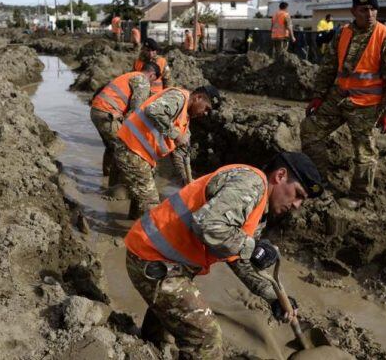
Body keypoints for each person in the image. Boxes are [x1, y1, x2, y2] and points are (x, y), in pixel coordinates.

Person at [124, 152, 324, 359]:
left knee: (168, 322)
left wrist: (272, 296)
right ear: (280, 176)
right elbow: (208, 224)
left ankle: (148, 344)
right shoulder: (251, 185)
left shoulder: (258, 207)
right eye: (298, 194)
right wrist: (252, 247)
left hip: (163, 257)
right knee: (206, 338)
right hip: (153, 259)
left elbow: (239, 258)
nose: (297, 205)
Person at [300, 0, 386, 209]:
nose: (370, 13)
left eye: (373, 9)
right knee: (310, 129)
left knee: (364, 151)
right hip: (338, 98)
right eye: (364, 9)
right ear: (353, 11)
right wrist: (318, 96)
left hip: (366, 105)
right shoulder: (342, 33)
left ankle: (358, 196)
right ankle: (320, 182)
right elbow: (328, 67)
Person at [114, 85, 221, 220]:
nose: (205, 113)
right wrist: (175, 134)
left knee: (140, 198)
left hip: (140, 154)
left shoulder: (184, 119)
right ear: (198, 97)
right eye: (206, 108)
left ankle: (131, 228)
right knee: (151, 202)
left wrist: (188, 181)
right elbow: (153, 110)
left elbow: (180, 155)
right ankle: (145, 239)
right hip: (130, 148)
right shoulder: (179, 97)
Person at [90, 63, 161, 192]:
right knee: (123, 150)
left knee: (112, 147)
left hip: (97, 111)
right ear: (152, 75)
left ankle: (106, 179)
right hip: (108, 114)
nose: (151, 84)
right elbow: (135, 113)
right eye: (153, 81)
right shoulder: (143, 81)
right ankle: (116, 191)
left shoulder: (130, 74)